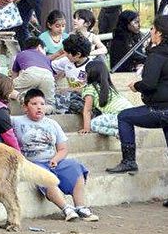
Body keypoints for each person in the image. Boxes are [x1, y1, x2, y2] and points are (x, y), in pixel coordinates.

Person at [11, 89, 99, 222]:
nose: (39, 107)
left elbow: (63, 149)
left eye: (42, 103)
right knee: (45, 176)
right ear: (25, 107)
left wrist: (55, 159)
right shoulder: (16, 121)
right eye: (34, 104)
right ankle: (66, 209)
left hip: (53, 160)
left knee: (75, 166)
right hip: (32, 163)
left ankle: (80, 207)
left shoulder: (52, 124)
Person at [107, 16, 168, 176]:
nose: (151, 32)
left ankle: (129, 161)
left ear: (159, 33)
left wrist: (136, 86)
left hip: (160, 110)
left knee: (124, 117)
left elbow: (149, 84)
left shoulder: (158, 55)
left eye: (153, 29)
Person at [78, 60, 133, 137]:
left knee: (93, 124)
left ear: (89, 74)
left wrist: (86, 128)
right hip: (131, 116)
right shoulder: (109, 87)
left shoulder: (90, 88)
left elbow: (87, 110)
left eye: (85, 72)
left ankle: (118, 133)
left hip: (119, 117)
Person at [51, 34, 98, 114]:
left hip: (87, 98)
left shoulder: (93, 66)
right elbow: (50, 66)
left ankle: (90, 113)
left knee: (74, 102)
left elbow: (95, 91)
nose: (65, 55)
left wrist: (69, 90)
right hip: (71, 97)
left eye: (67, 53)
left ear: (78, 54)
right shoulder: (66, 61)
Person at [10, 37, 56, 107]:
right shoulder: (46, 58)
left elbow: (14, 74)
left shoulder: (22, 53)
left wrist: (12, 86)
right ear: (39, 47)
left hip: (31, 73)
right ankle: (47, 109)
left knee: (8, 89)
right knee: (49, 103)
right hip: (48, 76)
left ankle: (23, 99)